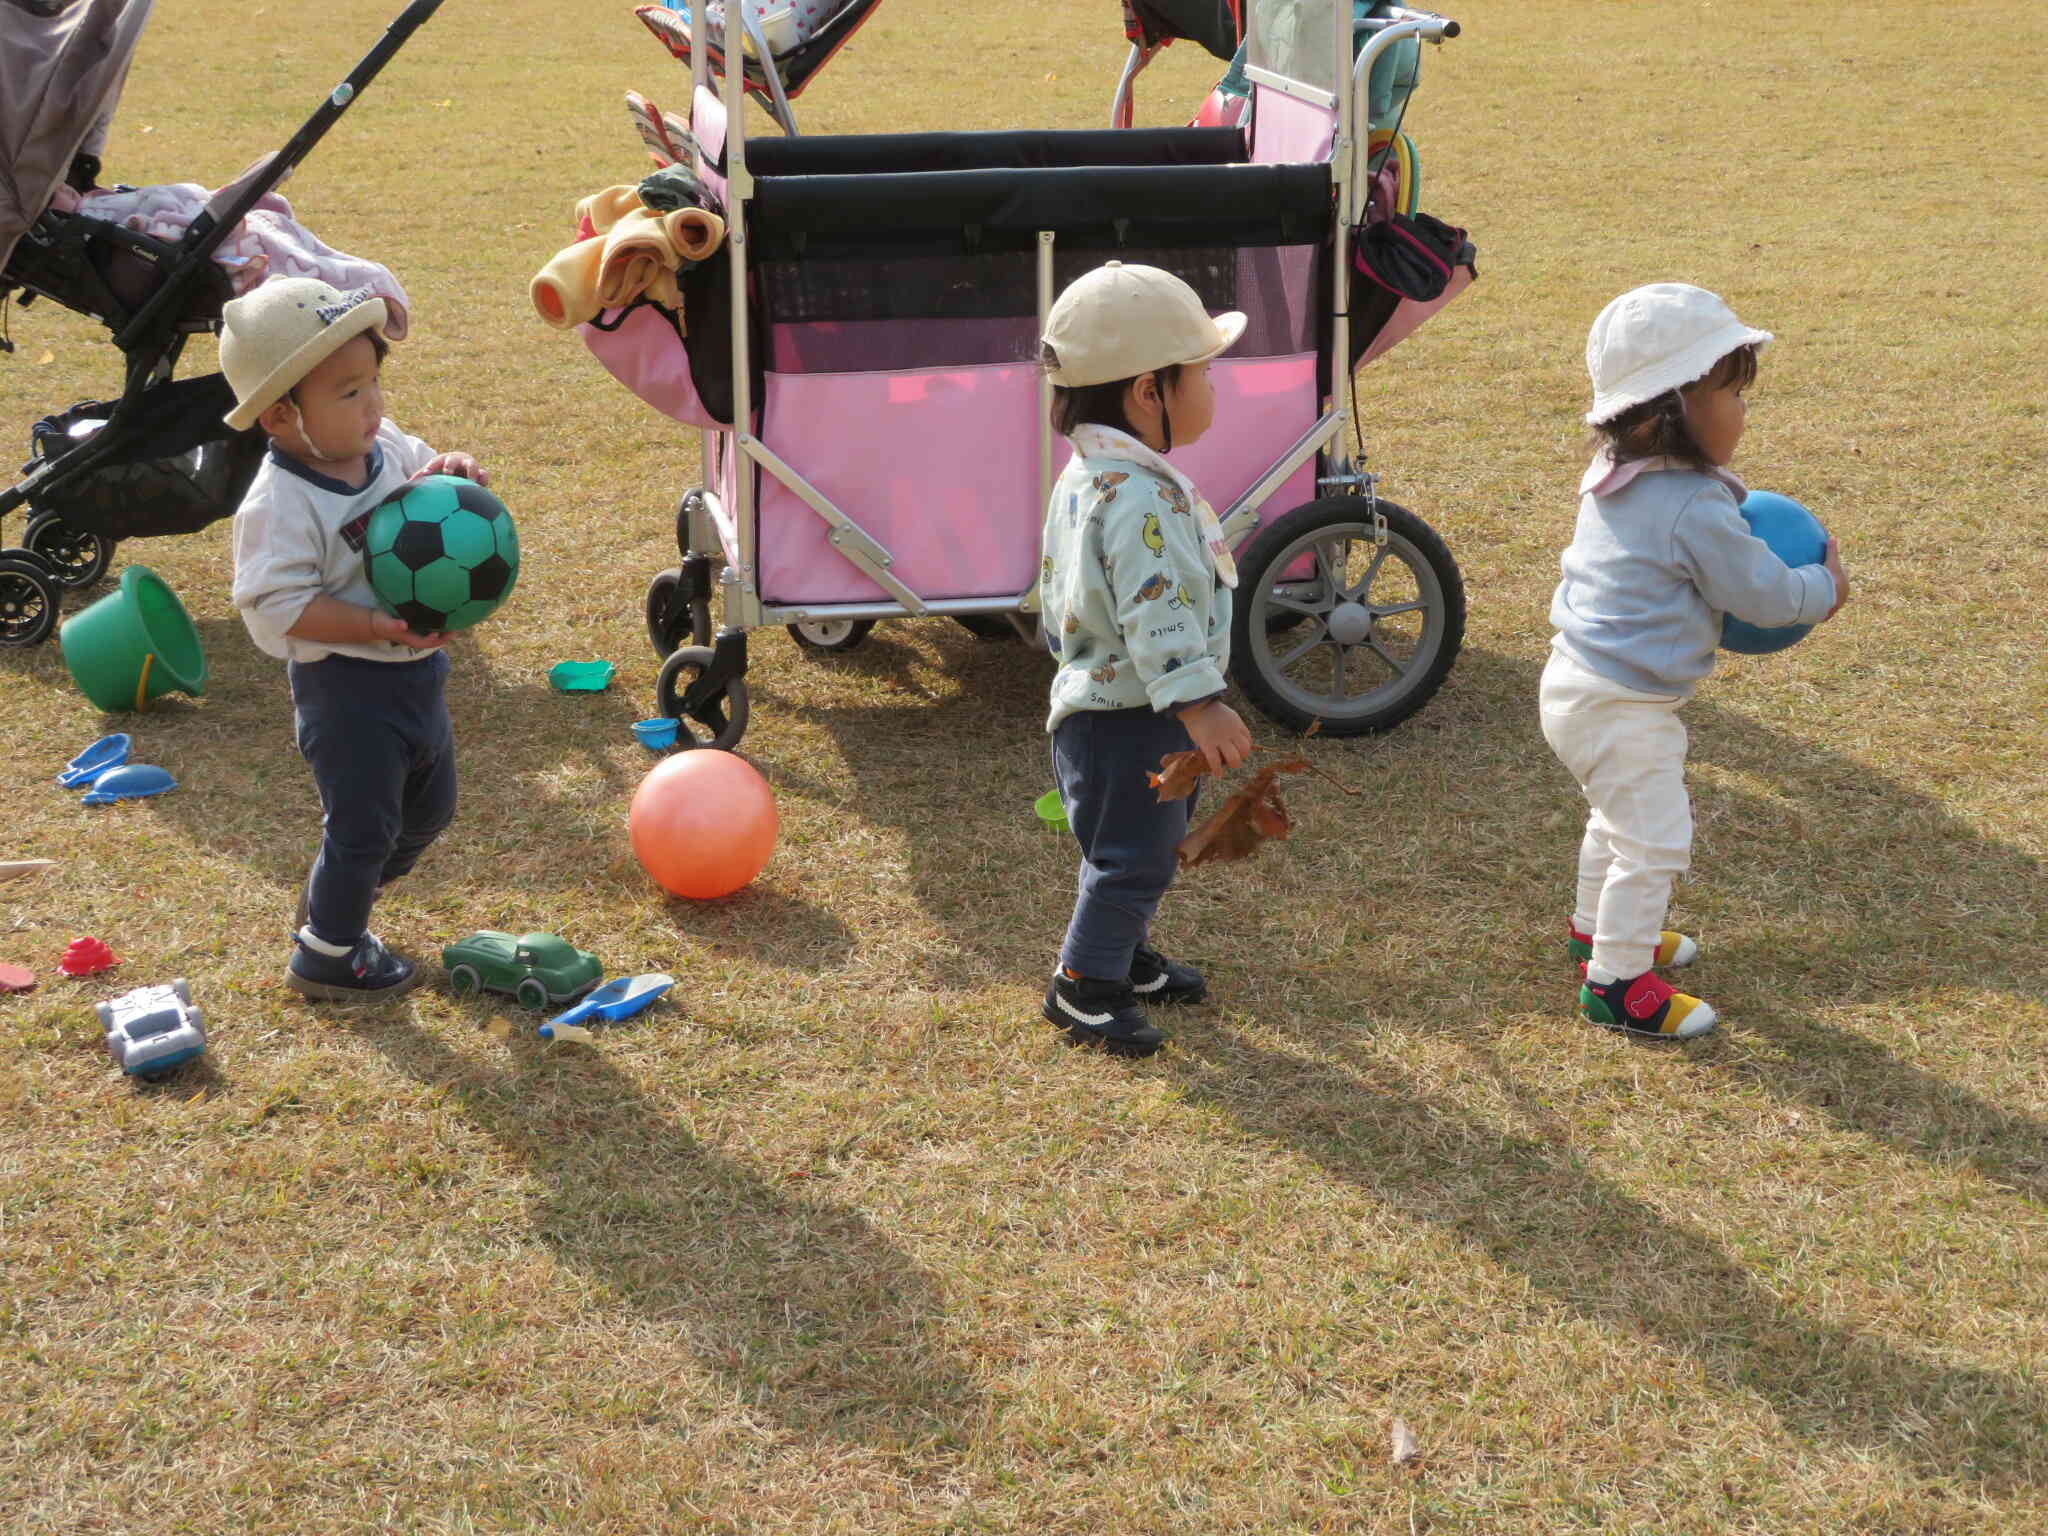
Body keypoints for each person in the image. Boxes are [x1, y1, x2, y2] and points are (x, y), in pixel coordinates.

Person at [1542, 282, 1849, 1040]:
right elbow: (1765, 594)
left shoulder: (1617, 473)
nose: (1744, 412)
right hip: (1623, 703)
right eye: (1732, 393)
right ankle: (1616, 985)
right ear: (1672, 410)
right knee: (1654, 840)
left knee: (1616, 822)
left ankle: (1597, 935)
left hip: (1578, 686)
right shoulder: (1692, 506)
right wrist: (1824, 587)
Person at [224, 277, 489, 1001]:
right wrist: (371, 624)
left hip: (413, 677)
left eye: (374, 382)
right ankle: (328, 957)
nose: (372, 404)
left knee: (429, 810)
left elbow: (427, 472)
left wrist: (452, 470)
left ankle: (334, 899)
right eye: (347, 393)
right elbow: (276, 605)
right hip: (346, 692)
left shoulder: (386, 445)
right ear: (281, 416)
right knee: (363, 826)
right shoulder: (280, 503)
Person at [1036, 262, 1254, 1056]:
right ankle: (1084, 988)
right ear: (1146, 392)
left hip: (1104, 712)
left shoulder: (1095, 476)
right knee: (1133, 859)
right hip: (1131, 718)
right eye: (1199, 374)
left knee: (1137, 848)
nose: (1211, 388)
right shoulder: (1139, 497)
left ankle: (1122, 957)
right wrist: (1201, 702)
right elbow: (1154, 612)